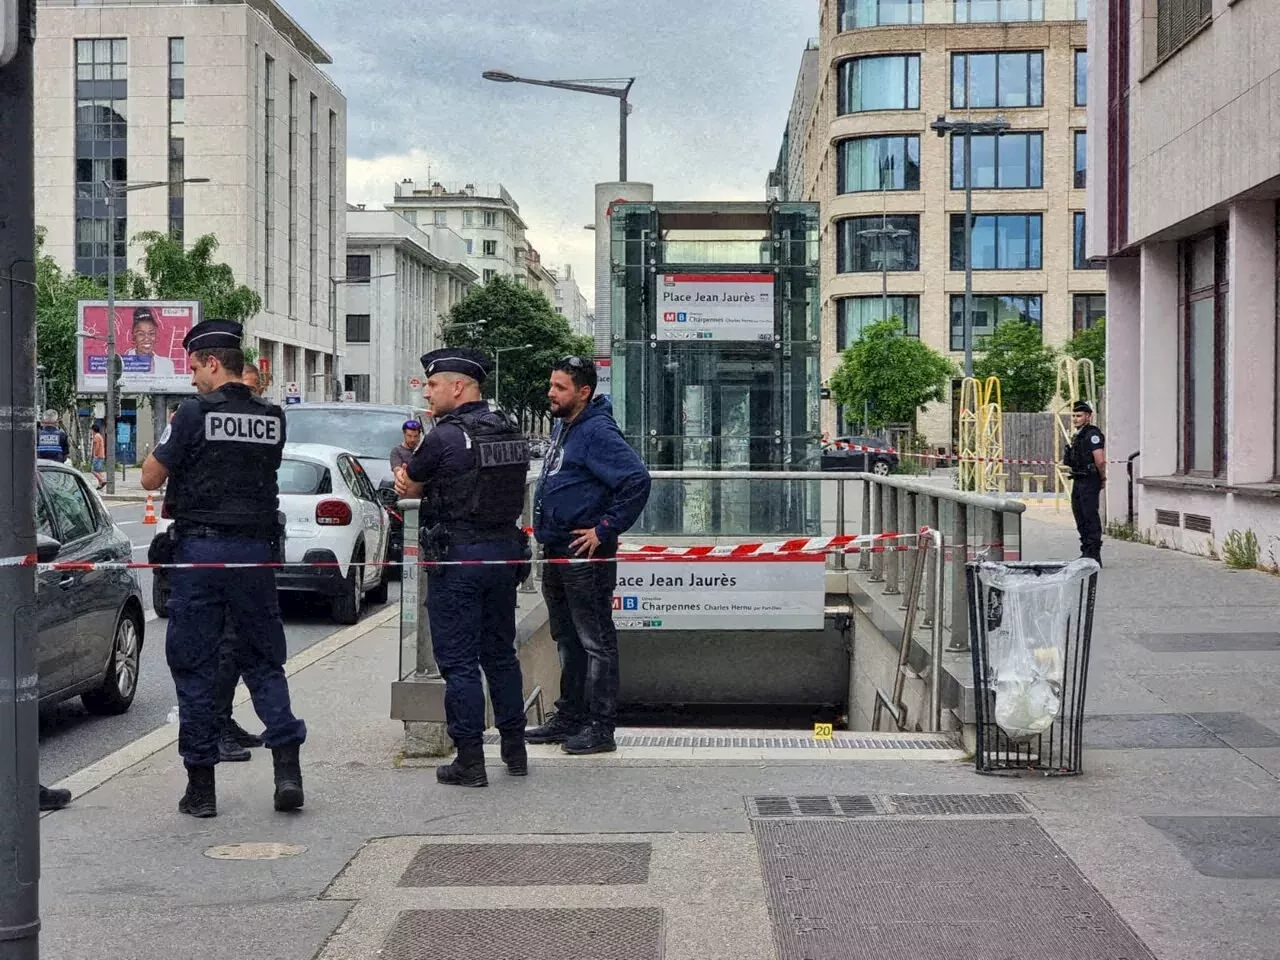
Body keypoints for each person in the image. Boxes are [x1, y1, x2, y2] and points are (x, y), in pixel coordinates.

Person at [140, 319, 306, 818]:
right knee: (263, 661)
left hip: (201, 554)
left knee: (194, 665)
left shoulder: (192, 414)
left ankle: (202, 788)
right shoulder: (273, 417)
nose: (192, 378)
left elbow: (150, 478)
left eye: (194, 368)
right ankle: (287, 773)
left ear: (213, 363)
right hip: (254, 556)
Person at [393, 348, 530, 788]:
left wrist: (415, 480)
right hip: (504, 554)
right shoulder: (509, 430)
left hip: (459, 557)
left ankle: (470, 760)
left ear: (458, 387)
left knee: (459, 663)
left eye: (433, 385)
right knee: (501, 655)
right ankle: (515, 748)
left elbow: (409, 483)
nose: (427, 392)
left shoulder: (444, 437)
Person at [526, 357, 651, 755]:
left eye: (560, 387)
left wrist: (604, 529)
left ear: (583, 392)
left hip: (583, 555)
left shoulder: (596, 431)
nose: (551, 393)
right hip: (558, 551)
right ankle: (571, 717)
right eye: (551, 384)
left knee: (595, 642)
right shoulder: (566, 426)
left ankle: (600, 728)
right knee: (567, 640)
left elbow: (636, 480)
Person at [210, 358, 270, 763]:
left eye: (257, 391)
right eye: (247, 388)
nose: (250, 398)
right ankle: (212, 730)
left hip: (249, 548)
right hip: (213, 550)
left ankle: (224, 721)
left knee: (242, 646)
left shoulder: (263, 420)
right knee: (218, 650)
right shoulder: (198, 417)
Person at [1065, 400, 1106, 565]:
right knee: (1079, 515)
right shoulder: (1079, 435)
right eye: (1074, 415)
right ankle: (1086, 551)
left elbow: (1100, 460)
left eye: (1079, 415)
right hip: (1078, 478)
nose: (1075, 419)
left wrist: (1102, 478)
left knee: (1090, 516)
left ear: (1088, 417)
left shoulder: (1092, 434)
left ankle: (1094, 554)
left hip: (1089, 479)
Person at [123, 307, 176, 377]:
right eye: (141, 334)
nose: (147, 339)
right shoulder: (122, 364)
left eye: (151, 333)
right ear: (133, 337)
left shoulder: (167, 364)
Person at [90, 422, 106, 489]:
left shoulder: (96, 436)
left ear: (93, 430)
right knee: (98, 471)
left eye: (91, 430)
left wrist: (95, 455)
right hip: (101, 455)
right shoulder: (100, 436)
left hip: (98, 456)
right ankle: (100, 484)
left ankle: (102, 480)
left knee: (93, 471)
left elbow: (96, 446)